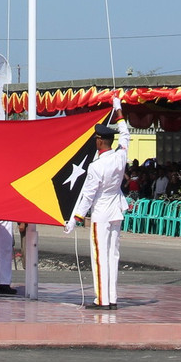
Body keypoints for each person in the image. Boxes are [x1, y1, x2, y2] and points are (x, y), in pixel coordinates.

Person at [64, 97, 129, 310]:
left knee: (100, 256)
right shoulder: (120, 157)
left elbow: (88, 196)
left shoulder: (96, 166)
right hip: (116, 211)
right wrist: (118, 110)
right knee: (113, 255)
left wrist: (75, 219)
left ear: (100, 141)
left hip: (101, 213)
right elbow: (125, 134)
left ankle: (102, 299)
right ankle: (112, 298)